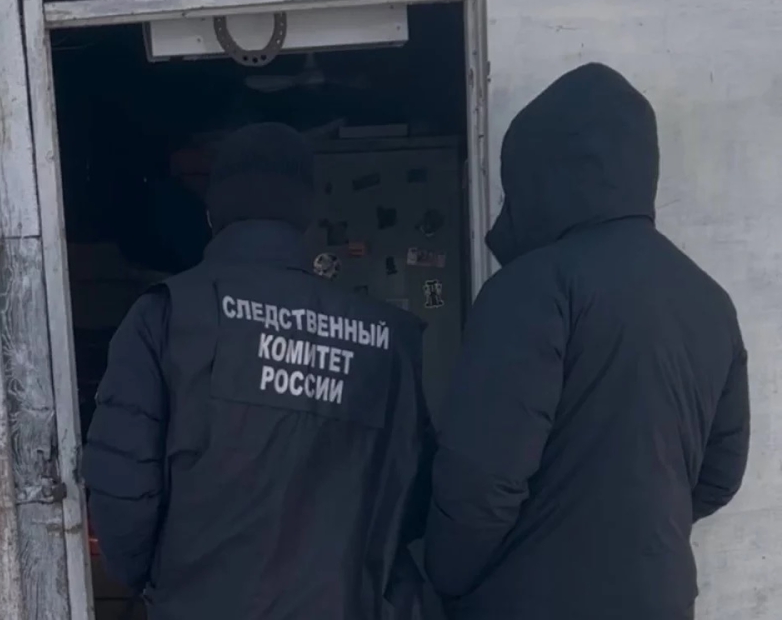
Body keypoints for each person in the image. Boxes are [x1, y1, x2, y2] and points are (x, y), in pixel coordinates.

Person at [424, 63, 750, 620]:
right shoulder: (710, 301)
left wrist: (444, 578)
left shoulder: (532, 288)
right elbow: (721, 475)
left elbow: (481, 482)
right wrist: (637, 541)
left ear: (546, 176)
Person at [83, 122, 433, 620]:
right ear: (307, 214)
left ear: (212, 212)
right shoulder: (387, 338)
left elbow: (121, 489)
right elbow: (414, 497)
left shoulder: (167, 316)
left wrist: (167, 586)